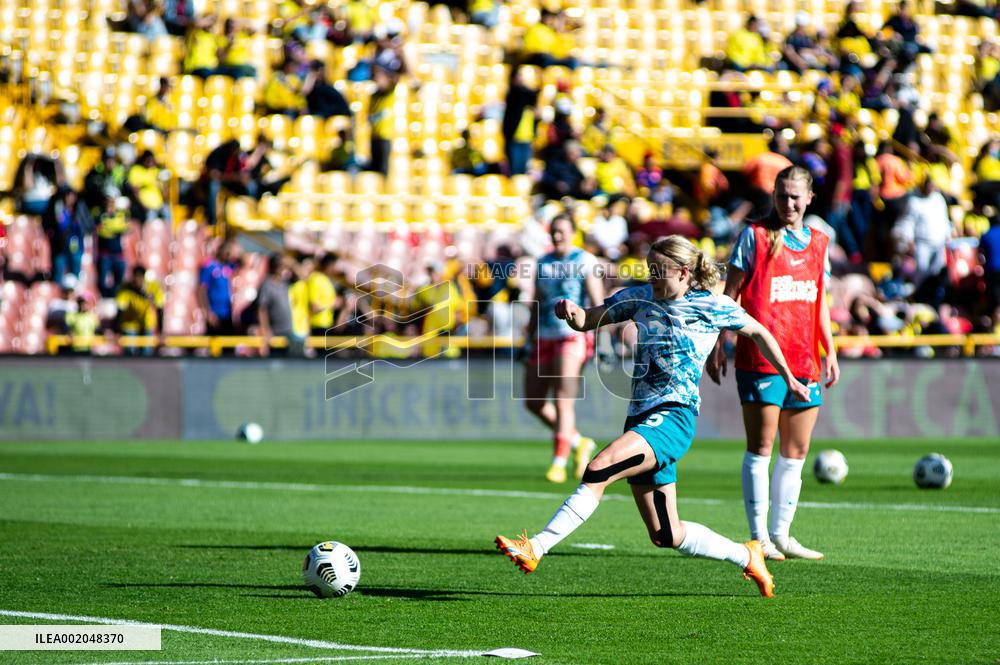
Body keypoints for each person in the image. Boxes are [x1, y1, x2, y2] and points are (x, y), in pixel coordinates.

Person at [496, 235, 812, 597]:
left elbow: (758, 332)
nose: (652, 277)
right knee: (666, 534)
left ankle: (536, 546)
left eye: (658, 271)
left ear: (682, 272)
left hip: (674, 417)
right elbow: (589, 320)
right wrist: (572, 313)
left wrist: (788, 376)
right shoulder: (640, 297)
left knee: (599, 467)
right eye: (649, 270)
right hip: (640, 419)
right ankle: (746, 554)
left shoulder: (712, 305)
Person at [707, 166, 839, 562]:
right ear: (774, 197)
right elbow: (729, 296)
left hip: (804, 358)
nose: (789, 203)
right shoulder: (755, 236)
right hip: (760, 357)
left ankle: (782, 535)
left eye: (796, 196)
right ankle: (758, 536)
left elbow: (819, 303)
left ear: (810, 197)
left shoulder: (819, 242)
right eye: (782, 196)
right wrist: (720, 343)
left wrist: (828, 349)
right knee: (761, 446)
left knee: (796, 451)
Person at [524, 214, 604, 484]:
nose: (557, 236)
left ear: (573, 232)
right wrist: (529, 335)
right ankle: (579, 442)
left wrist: (597, 335)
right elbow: (537, 300)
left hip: (572, 336)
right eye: (553, 231)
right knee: (533, 402)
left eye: (562, 231)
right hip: (544, 336)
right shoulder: (542, 262)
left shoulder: (584, 260)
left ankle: (558, 461)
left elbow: (596, 302)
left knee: (562, 399)